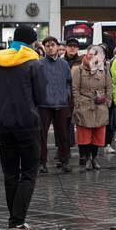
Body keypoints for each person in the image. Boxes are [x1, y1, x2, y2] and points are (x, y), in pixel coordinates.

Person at [0, 24, 42, 230]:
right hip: (27, 125)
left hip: (2, 126)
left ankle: (14, 220)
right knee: (28, 173)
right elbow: (41, 95)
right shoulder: (32, 63)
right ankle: (18, 221)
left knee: (10, 174)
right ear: (30, 41)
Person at [34, 36, 74, 173]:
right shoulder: (39, 64)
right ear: (44, 48)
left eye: (53, 45)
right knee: (42, 135)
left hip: (61, 104)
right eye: (48, 45)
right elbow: (36, 84)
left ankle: (64, 161)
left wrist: (66, 95)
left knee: (63, 134)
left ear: (57, 47)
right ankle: (42, 162)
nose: (51, 48)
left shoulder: (64, 65)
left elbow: (69, 82)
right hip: (44, 104)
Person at [71, 45, 111, 171]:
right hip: (84, 106)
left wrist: (108, 102)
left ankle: (94, 158)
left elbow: (109, 87)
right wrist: (78, 103)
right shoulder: (79, 70)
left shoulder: (104, 69)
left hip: (100, 106)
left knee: (98, 134)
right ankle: (86, 157)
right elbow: (75, 88)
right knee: (84, 134)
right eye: (91, 54)